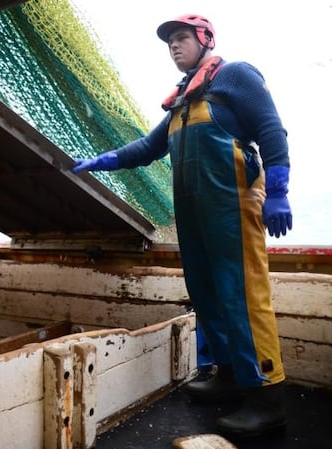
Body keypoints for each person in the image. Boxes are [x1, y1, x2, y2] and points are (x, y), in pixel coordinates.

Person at [72, 14, 292, 439]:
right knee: (207, 294)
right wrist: (106, 160)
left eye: (181, 37)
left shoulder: (235, 77)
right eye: (170, 41)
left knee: (244, 299)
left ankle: (267, 398)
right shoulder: (183, 101)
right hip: (194, 216)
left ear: (205, 39)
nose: (174, 46)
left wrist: (279, 190)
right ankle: (229, 375)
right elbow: (150, 147)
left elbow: (271, 129)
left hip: (233, 207)